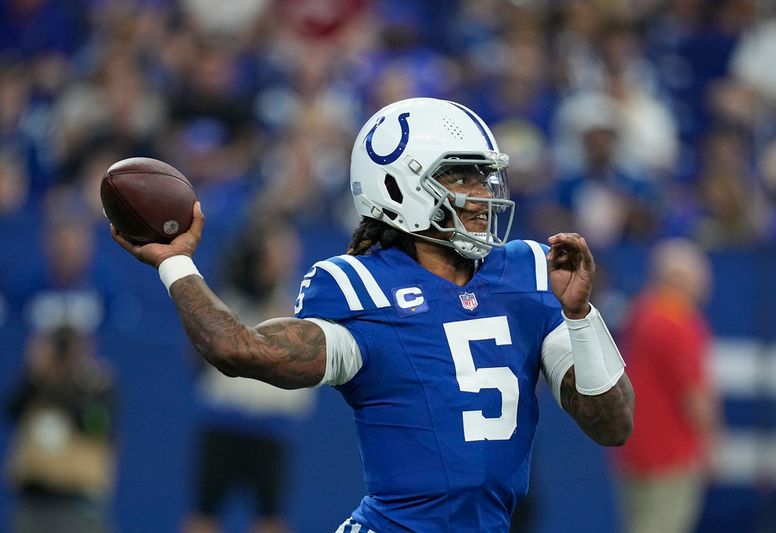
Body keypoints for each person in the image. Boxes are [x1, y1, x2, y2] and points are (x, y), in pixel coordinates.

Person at [110, 97, 634, 532]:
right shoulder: (359, 288)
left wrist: (581, 316)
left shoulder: (527, 271)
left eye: (485, 177)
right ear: (395, 186)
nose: (482, 195)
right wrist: (176, 263)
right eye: (462, 178)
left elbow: (612, 424)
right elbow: (238, 350)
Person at [184, 222, 314, 533]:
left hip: (272, 426)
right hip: (224, 420)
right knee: (205, 509)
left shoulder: (302, 299)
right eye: (276, 250)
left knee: (270, 515)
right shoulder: (233, 291)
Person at [614, 238, 720, 533]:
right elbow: (693, 395)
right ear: (680, 279)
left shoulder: (642, 311)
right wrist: (711, 442)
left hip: (634, 447)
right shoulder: (678, 321)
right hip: (670, 453)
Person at [5, 326, 115, 533]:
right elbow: (12, 411)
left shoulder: (98, 385)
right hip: (32, 504)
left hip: (78, 503)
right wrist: (35, 375)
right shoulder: (37, 381)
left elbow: (95, 425)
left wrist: (74, 378)